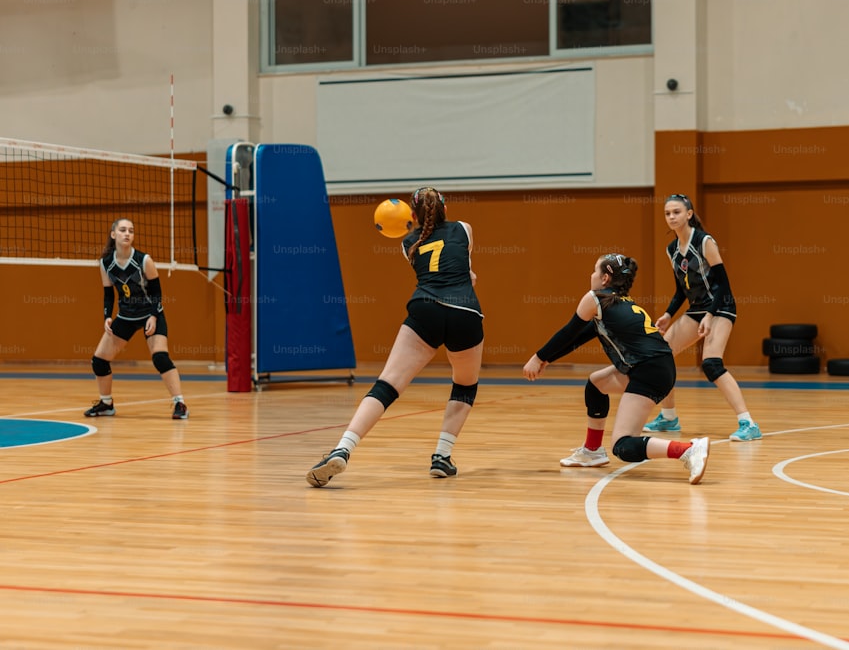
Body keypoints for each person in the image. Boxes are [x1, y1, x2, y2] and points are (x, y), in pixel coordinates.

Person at [306, 187, 484, 486]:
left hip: (425, 309)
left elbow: (437, 270)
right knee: (464, 385)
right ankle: (442, 455)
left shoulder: (408, 243)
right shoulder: (463, 228)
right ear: (444, 208)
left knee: (387, 384)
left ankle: (343, 448)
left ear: (412, 216)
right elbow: (464, 268)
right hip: (465, 311)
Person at [523, 253, 710, 484]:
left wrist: (537, 357)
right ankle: (592, 451)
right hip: (657, 367)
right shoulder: (617, 302)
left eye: (594, 270)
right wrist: (547, 360)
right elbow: (579, 337)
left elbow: (568, 332)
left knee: (623, 446)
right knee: (596, 385)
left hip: (648, 371)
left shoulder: (595, 299)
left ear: (604, 278)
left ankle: (687, 449)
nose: (590, 275)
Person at [642, 194, 762, 442]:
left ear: (689, 214)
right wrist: (667, 314)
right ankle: (668, 417)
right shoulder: (672, 249)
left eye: (676, 212)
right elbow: (680, 290)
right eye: (667, 213)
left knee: (711, 364)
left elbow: (724, 284)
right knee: (660, 354)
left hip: (720, 305)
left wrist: (710, 314)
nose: (672, 217)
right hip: (697, 307)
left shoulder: (704, 241)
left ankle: (748, 423)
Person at [85, 218, 188, 420]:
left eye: (131, 231)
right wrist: (107, 316)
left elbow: (157, 292)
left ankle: (180, 403)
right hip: (126, 315)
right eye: (122, 230)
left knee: (160, 357)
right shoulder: (106, 263)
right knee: (99, 360)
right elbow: (108, 294)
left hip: (151, 312)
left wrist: (153, 316)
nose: (127, 234)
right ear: (113, 234)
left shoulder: (143, 260)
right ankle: (106, 403)